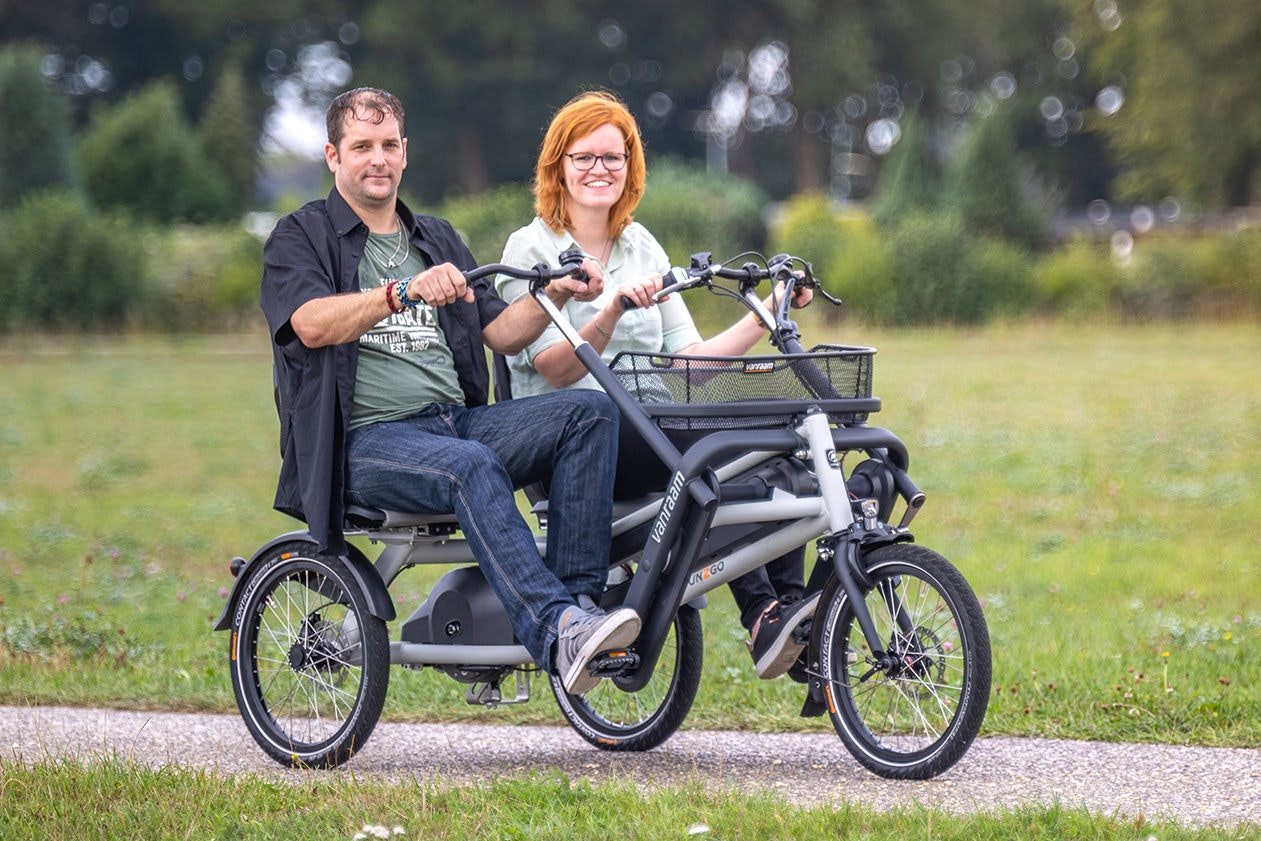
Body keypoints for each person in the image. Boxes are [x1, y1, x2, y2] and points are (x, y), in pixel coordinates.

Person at [259, 87, 639, 696]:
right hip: (363, 443)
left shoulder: (435, 237)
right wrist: (399, 293)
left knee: (590, 412)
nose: (377, 159)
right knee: (470, 467)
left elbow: (503, 332)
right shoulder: (300, 235)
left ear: (405, 153)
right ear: (333, 156)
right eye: (361, 147)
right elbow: (308, 324)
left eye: (388, 145)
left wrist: (557, 292)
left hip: (452, 423)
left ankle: (580, 611)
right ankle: (555, 626)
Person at [496, 91, 816, 680]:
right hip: (574, 441)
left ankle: (781, 611)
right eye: (584, 156)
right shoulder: (532, 247)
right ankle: (762, 612)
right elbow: (552, 367)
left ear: (630, 166)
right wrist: (611, 310)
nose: (600, 169)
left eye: (613, 157)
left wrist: (766, 312)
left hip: (654, 427)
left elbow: (690, 361)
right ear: (558, 166)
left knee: (779, 435)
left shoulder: (643, 247)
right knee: (713, 454)